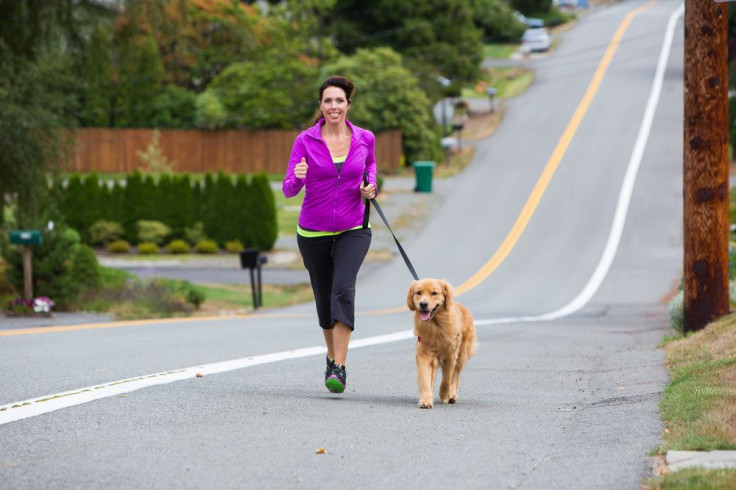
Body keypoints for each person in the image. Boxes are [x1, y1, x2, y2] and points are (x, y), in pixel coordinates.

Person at [282, 75, 378, 394]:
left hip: (354, 229)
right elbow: (288, 190)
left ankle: (340, 366)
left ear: (348, 104)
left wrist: (370, 186)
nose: (333, 106)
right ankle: (331, 354)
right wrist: (298, 177)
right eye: (328, 101)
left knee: (342, 291)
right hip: (312, 233)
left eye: (339, 100)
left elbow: (371, 168)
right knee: (324, 300)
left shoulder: (365, 138)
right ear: (320, 106)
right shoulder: (305, 141)